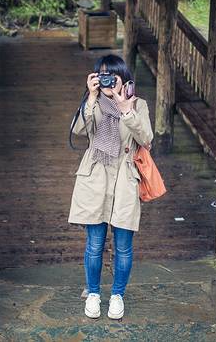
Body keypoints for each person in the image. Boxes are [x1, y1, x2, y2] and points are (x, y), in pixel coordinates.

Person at [68, 54, 153, 320]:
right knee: (94, 244)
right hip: (95, 179)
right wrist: (91, 97)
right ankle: (93, 294)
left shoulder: (138, 104)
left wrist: (126, 109)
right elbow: (78, 130)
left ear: (123, 78)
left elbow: (146, 138)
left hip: (125, 181)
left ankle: (117, 296)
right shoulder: (92, 102)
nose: (107, 81)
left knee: (123, 246)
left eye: (112, 75)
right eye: (102, 75)